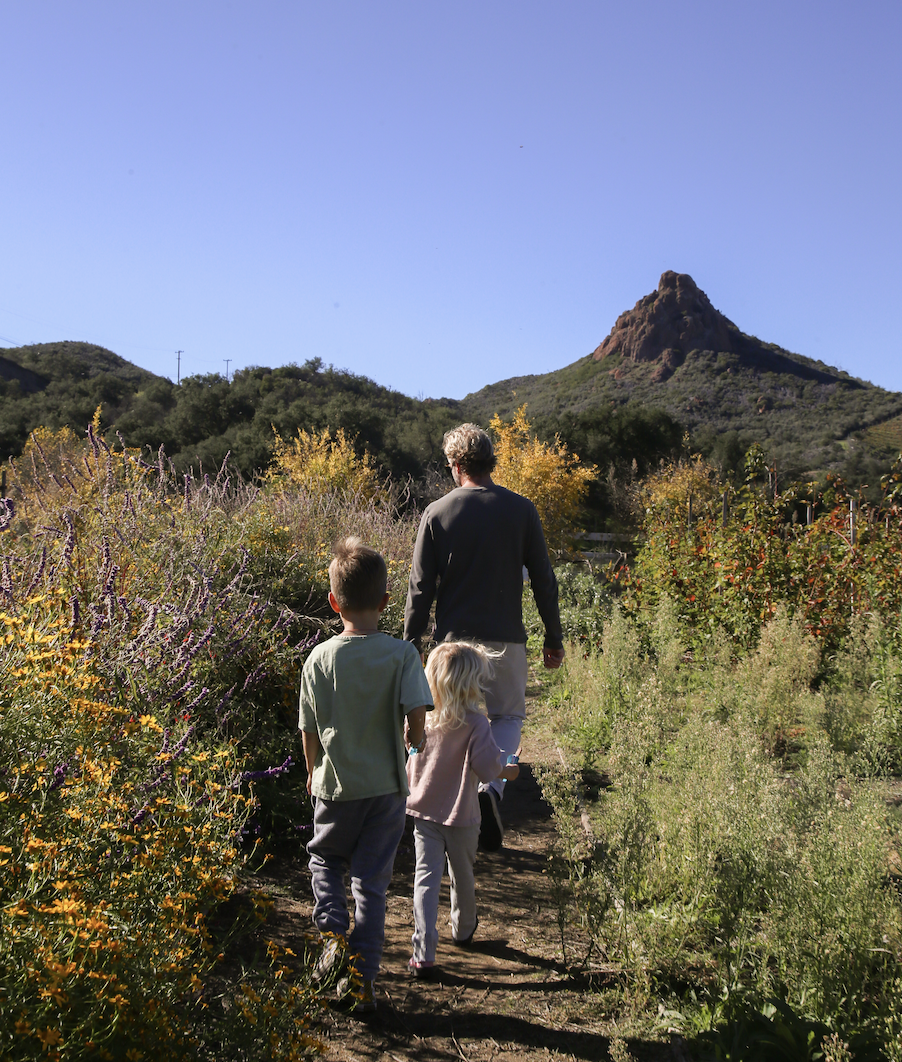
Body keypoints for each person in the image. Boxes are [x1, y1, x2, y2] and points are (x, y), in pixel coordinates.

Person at [403, 423, 565, 852]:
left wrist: (410, 644)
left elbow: (421, 589)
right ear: (490, 462)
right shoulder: (522, 510)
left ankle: (444, 813)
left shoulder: (436, 513)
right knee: (507, 718)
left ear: (455, 465)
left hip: (451, 645)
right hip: (506, 638)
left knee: (451, 721)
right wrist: (554, 635)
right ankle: (490, 790)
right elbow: (544, 581)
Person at [300, 536, 433, 1012]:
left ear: (334, 602)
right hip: (387, 791)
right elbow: (417, 714)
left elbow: (309, 728)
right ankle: (362, 979)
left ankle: (333, 930)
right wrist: (412, 740)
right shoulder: (402, 656)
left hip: (336, 789)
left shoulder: (319, 658)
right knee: (372, 885)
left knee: (325, 861)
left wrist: (313, 772)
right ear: (384, 600)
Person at [405, 642, 521, 976]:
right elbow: (488, 769)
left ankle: (423, 952)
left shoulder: (421, 717)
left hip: (423, 811)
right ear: (473, 683)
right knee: (462, 873)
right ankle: (463, 927)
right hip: (462, 814)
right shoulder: (476, 724)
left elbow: (409, 751)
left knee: (425, 878)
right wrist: (509, 770)